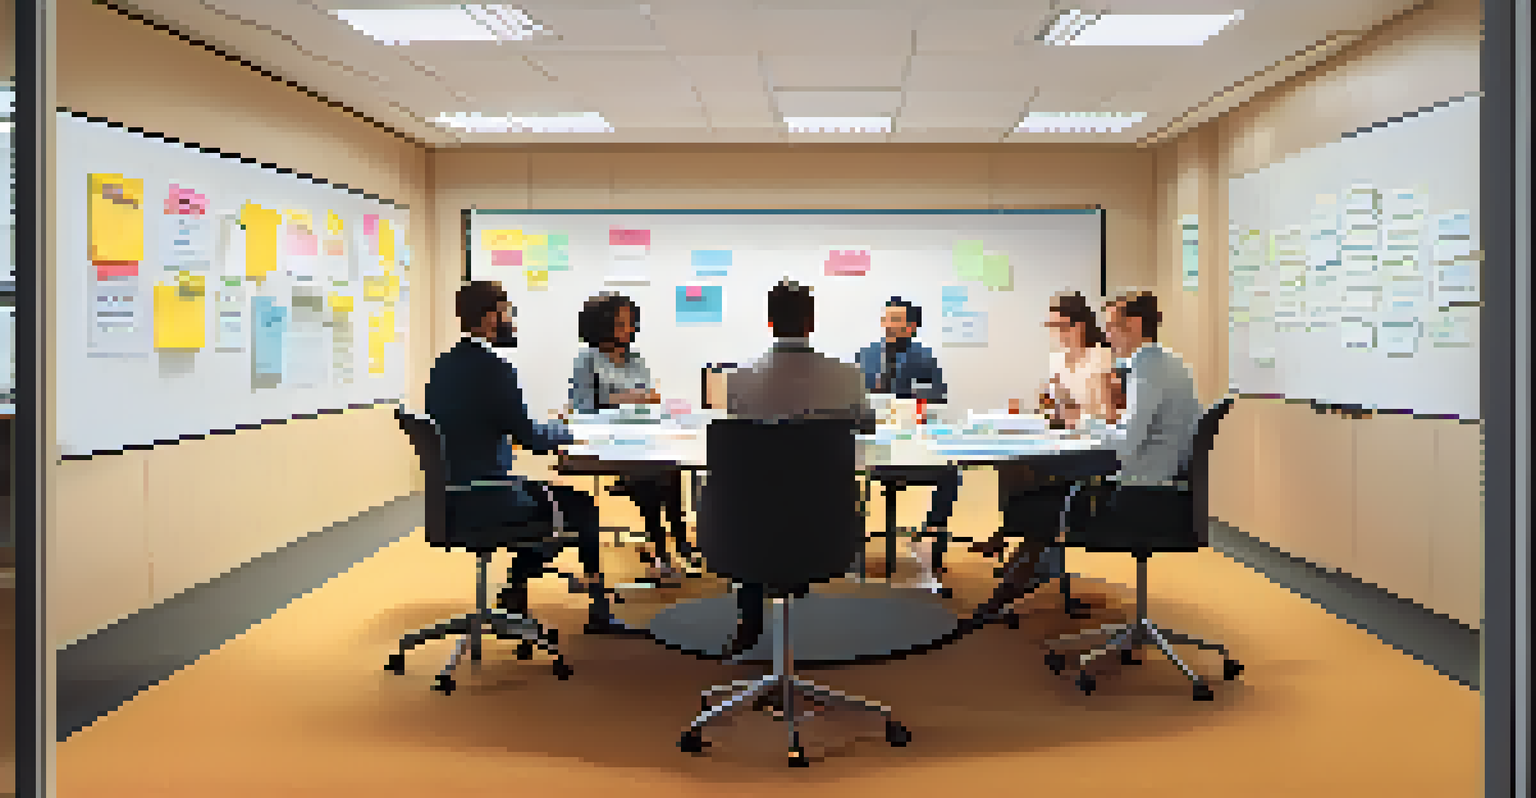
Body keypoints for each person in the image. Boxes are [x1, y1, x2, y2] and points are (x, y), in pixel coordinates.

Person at [970, 289, 1199, 625]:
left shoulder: (1147, 368)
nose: (1106, 335)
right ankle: (1012, 582)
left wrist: (1085, 422)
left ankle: (1005, 591)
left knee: (1036, 503)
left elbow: (1126, 443)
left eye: (1112, 326)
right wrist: (1087, 422)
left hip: (1141, 491)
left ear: (1135, 325)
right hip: (1155, 480)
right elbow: (1130, 432)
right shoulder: (1163, 362)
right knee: (1038, 488)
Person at [425, 281, 621, 635]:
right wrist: (570, 432)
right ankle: (598, 614)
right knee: (581, 508)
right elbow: (530, 438)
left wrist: (551, 429)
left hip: (455, 496)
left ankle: (515, 591)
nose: (511, 322)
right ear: (490, 318)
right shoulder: (493, 369)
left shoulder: (443, 366)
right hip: (488, 495)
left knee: (553, 500)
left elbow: (503, 425)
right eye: (507, 313)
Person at [972, 291, 1119, 560]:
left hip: (1092, 440)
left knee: (1032, 469)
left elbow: (1109, 415)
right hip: (1065, 433)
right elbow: (1057, 402)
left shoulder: (1101, 356)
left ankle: (1030, 544)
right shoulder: (1059, 358)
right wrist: (1053, 406)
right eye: (1051, 326)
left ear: (1079, 325)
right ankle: (1013, 533)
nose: (1055, 333)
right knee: (1010, 463)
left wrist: (1075, 414)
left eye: (1059, 326)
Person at [569, 293, 690, 582]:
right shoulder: (587, 360)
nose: (629, 328)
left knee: (671, 468)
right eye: (621, 322)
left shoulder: (635, 358)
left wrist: (623, 398)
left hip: (643, 433)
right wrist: (628, 398)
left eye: (631, 322)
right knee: (649, 474)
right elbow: (584, 406)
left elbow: (650, 397)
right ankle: (661, 545)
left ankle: (679, 536)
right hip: (609, 440)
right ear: (603, 325)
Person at [855, 298, 960, 581]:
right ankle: (850, 543)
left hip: (910, 442)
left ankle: (932, 535)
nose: (888, 325)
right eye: (886, 319)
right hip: (872, 444)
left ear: (911, 326)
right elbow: (853, 396)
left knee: (951, 472)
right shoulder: (866, 355)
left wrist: (912, 402)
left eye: (895, 320)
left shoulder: (924, 358)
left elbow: (938, 397)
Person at [727, 279, 875, 429]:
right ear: (811, 323)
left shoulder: (738, 382)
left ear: (770, 323)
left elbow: (736, 437)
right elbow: (866, 429)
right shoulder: (850, 378)